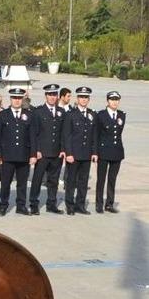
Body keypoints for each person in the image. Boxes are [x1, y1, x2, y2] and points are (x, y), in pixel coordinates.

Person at [28, 84, 67, 215]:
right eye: (50, 94)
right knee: (37, 179)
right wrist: (36, 150)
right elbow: (34, 134)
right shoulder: (38, 112)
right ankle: (34, 204)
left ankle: (52, 204)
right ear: (46, 96)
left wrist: (63, 149)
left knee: (53, 180)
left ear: (57, 96)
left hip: (56, 153)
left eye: (54, 94)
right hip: (42, 153)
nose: (52, 97)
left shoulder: (62, 112)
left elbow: (63, 133)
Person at [0, 88, 32, 216]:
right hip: (8, 156)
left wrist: (33, 154)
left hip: (23, 155)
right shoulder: (3, 114)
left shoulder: (28, 114)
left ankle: (21, 205)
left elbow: (32, 136)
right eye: (14, 98)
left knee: (22, 183)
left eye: (19, 98)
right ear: (10, 99)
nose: (17, 100)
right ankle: (3, 205)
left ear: (22, 99)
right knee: (5, 183)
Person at [62, 86, 97, 215]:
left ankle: (80, 205)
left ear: (89, 99)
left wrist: (94, 152)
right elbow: (67, 135)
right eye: (81, 97)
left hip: (86, 154)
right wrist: (69, 153)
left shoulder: (93, 115)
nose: (83, 99)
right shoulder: (70, 115)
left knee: (83, 181)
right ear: (77, 98)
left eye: (86, 97)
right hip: (74, 155)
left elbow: (94, 136)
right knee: (71, 181)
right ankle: (70, 205)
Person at [95, 91, 124, 213]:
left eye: (117, 100)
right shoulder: (101, 115)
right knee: (101, 179)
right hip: (103, 151)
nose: (115, 102)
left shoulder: (122, 115)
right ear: (107, 101)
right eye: (112, 100)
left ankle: (109, 204)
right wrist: (95, 152)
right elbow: (96, 135)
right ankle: (99, 204)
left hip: (117, 152)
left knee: (112, 179)